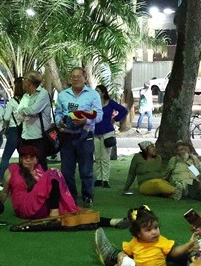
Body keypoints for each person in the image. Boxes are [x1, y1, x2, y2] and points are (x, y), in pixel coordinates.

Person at [88, 206, 197, 266]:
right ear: (139, 234)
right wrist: (121, 256)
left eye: (156, 227)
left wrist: (187, 246)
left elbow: (174, 252)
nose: (154, 232)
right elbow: (126, 252)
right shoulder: (134, 243)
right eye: (149, 230)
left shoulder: (161, 241)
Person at [54, 67, 103, 206]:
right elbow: (58, 112)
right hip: (67, 137)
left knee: (86, 170)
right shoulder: (63, 95)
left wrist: (85, 121)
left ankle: (88, 196)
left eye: (78, 76)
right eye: (73, 77)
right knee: (67, 171)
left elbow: (99, 116)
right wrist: (60, 122)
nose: (75, 79)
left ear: (85, 78)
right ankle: (71, 197)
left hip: (85, 136)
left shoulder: (93, 95)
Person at [3, 145, 79, 219]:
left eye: (31, 158)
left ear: (36, 160)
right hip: (23, 207)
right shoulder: (13, 168)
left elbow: (47, 190)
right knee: (53, 172)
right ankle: (54, 212)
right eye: (25, 158)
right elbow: (5, 192)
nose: (28, 160)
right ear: (21, 159)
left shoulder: (38, 169)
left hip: (39, 207)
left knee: (53, 177)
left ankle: (56, 209)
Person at [93, 84, 127, 189]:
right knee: (97, 157)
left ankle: (105, 179)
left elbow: (123, 110)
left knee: (105, 157)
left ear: (103, 93)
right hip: (95, 132)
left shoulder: (110, 103)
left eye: (98, 91)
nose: (96, 92)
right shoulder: (93, 103)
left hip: (107, 132)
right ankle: (99, 178)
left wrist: (115, 119)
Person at [18, 70, 53, 169]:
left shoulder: (43, 93)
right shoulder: (26, 96)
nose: (22, 83)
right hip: (25, 136)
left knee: (40, 166)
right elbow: (18, 113)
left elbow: (33, 110)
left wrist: (23, 110)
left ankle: (43, 184)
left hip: (39, 137)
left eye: (24, 80)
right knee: (24, 166)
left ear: (29, 81)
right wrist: (24, 111)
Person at [0, 77, 24, 185]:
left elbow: (7, 117)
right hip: (24, 131)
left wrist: (4, 126)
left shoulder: (13, 101)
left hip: (13, 130)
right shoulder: (28, 99)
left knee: (6, 157)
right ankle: (23, 179)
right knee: (23, 156)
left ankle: (0, 180)